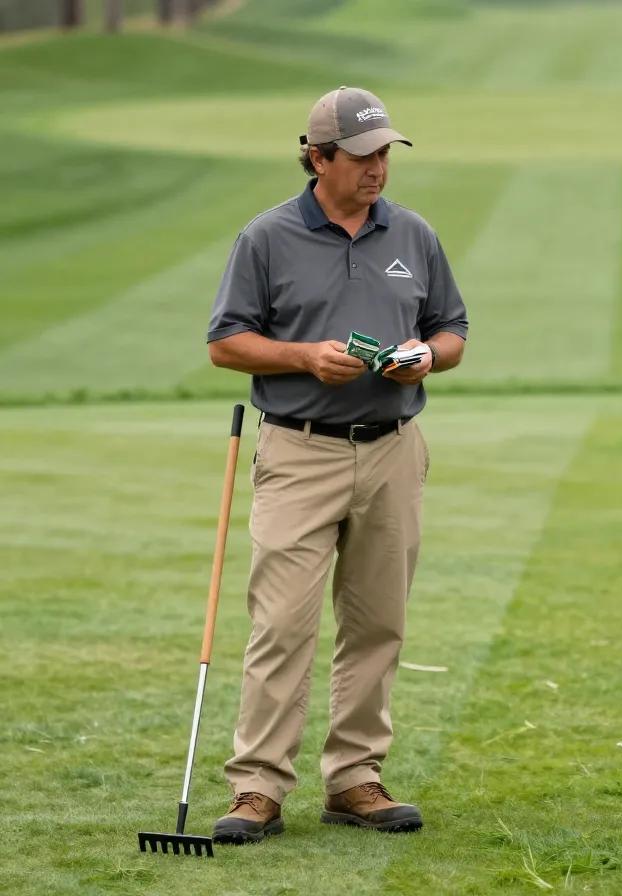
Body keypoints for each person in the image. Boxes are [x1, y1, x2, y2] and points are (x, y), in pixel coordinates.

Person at [203, 86, 468, 844]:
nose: (377, 167)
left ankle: (355, 779)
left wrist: (428, 358)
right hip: (299, 447)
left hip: (392, 449)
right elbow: (225, 341)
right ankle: (257, 787)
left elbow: (451, 327)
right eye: (361, 156)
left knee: (378, 622)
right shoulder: (267, 238)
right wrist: (301, 357)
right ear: (317, 158)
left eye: (384, 152)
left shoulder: (412, 235)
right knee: (283, 625)